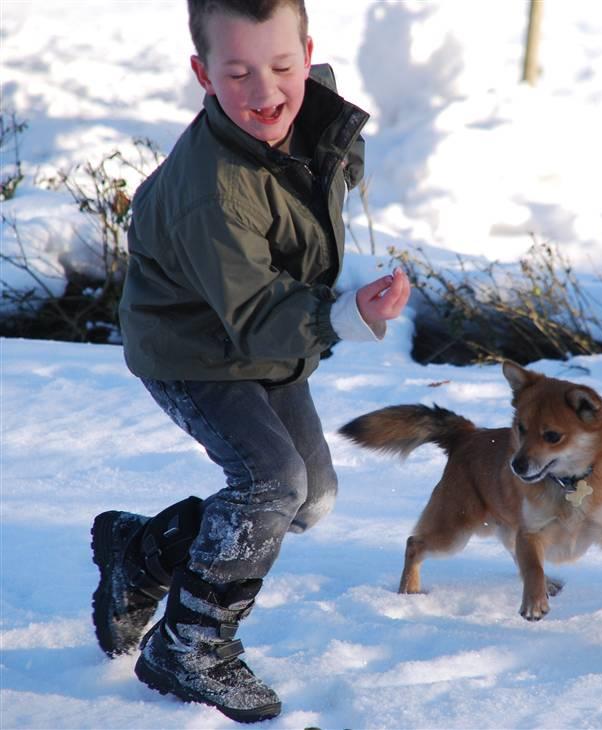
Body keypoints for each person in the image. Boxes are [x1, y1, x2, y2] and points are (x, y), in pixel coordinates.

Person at [90, 0, 410, 723]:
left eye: (282, 67)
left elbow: (316, 181)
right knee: (272, 483)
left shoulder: (306, 118)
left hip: (263, 333)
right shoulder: (213, 192)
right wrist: (347, 315)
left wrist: (333, 161)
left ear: (307, 52)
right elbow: (259, 317)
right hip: (192, 350)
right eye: (237, 74)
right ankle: (191, 644)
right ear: (202, 75)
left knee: (310, 499)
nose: (266, 93)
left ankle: (140, 550)